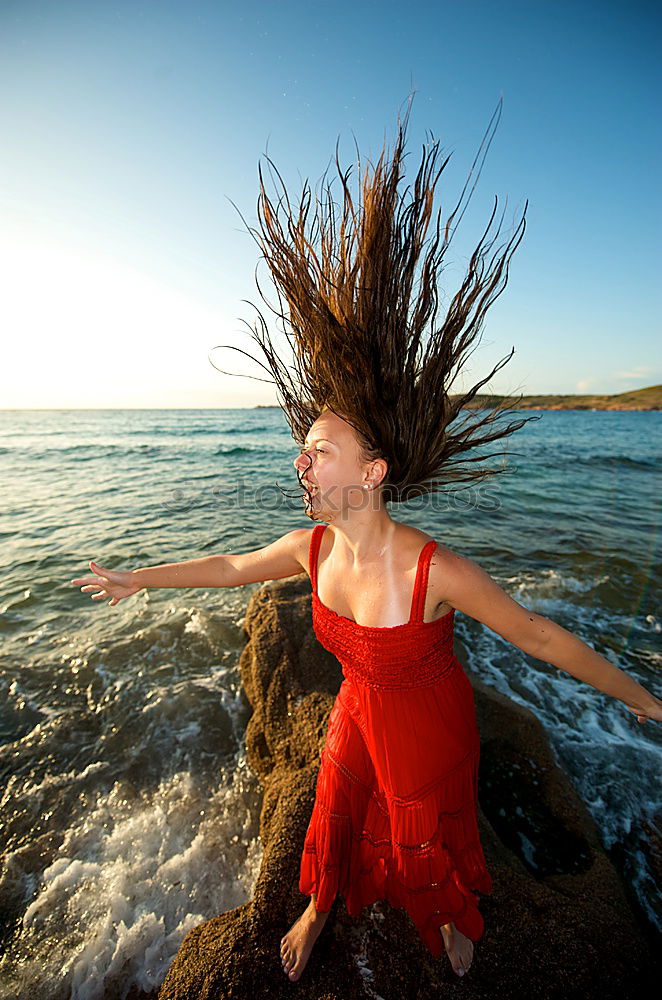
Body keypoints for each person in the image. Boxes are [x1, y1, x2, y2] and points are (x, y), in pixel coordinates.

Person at [70, 96, 662, 984]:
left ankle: (452, 911)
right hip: (358, 704)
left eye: (319, 450)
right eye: (303, 449)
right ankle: (319, 902)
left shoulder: (431, 567)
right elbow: (232, 566)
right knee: (337, 799)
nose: (301, 462)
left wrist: (642, 701)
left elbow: (535, 635)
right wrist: (139, 580)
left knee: (425, 830)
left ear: (374, 470)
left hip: (430, 726)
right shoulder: (312, 552)